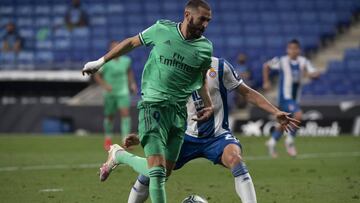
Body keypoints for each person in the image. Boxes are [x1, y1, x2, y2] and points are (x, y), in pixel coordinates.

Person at [82, 1, 214, 202]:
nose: (205, 24)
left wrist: (208, 103)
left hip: (178, 113)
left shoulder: (205, 48)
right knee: (157, 173)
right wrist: (101, 62)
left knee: (163, 171)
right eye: (202, 19)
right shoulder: (162, 29)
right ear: (187, 15)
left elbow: (201, 78)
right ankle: (120, 155)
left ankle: (119, 155)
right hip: (153, 105)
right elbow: (131, 42)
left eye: (208, 21)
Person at [121, 57, 300, 203]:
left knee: (235, 159)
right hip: (185, 137)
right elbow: (164, 113)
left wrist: (275, 111)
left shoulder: (220, 67)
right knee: (155, 170)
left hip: (218, 136)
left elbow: (246, 92)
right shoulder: (173, 74)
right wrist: (142, 136)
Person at [262, 39, 320, 158]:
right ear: (287, 50)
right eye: (290, 48)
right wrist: (266, 81)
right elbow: (266, 65)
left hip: (295, 98)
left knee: (285, 122)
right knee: (298, 115)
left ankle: (271, 142)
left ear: (299, 50)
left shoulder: (303, 61)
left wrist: (312, 74)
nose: (293, 51)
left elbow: (314, 72)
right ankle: (290, 141)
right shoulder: (282, 61)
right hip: (284, 97)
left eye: (295, 48)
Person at [94, 41, 138, 150]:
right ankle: (108, 139)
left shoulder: (126, 61)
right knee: (110, 116)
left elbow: (129, 72)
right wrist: (104, 86)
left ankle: (125, 140)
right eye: (114, 47)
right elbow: (97, 75)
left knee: (125, 114)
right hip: (110, 93)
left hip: (122, 92)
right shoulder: (106, 62)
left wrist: (132, 84)